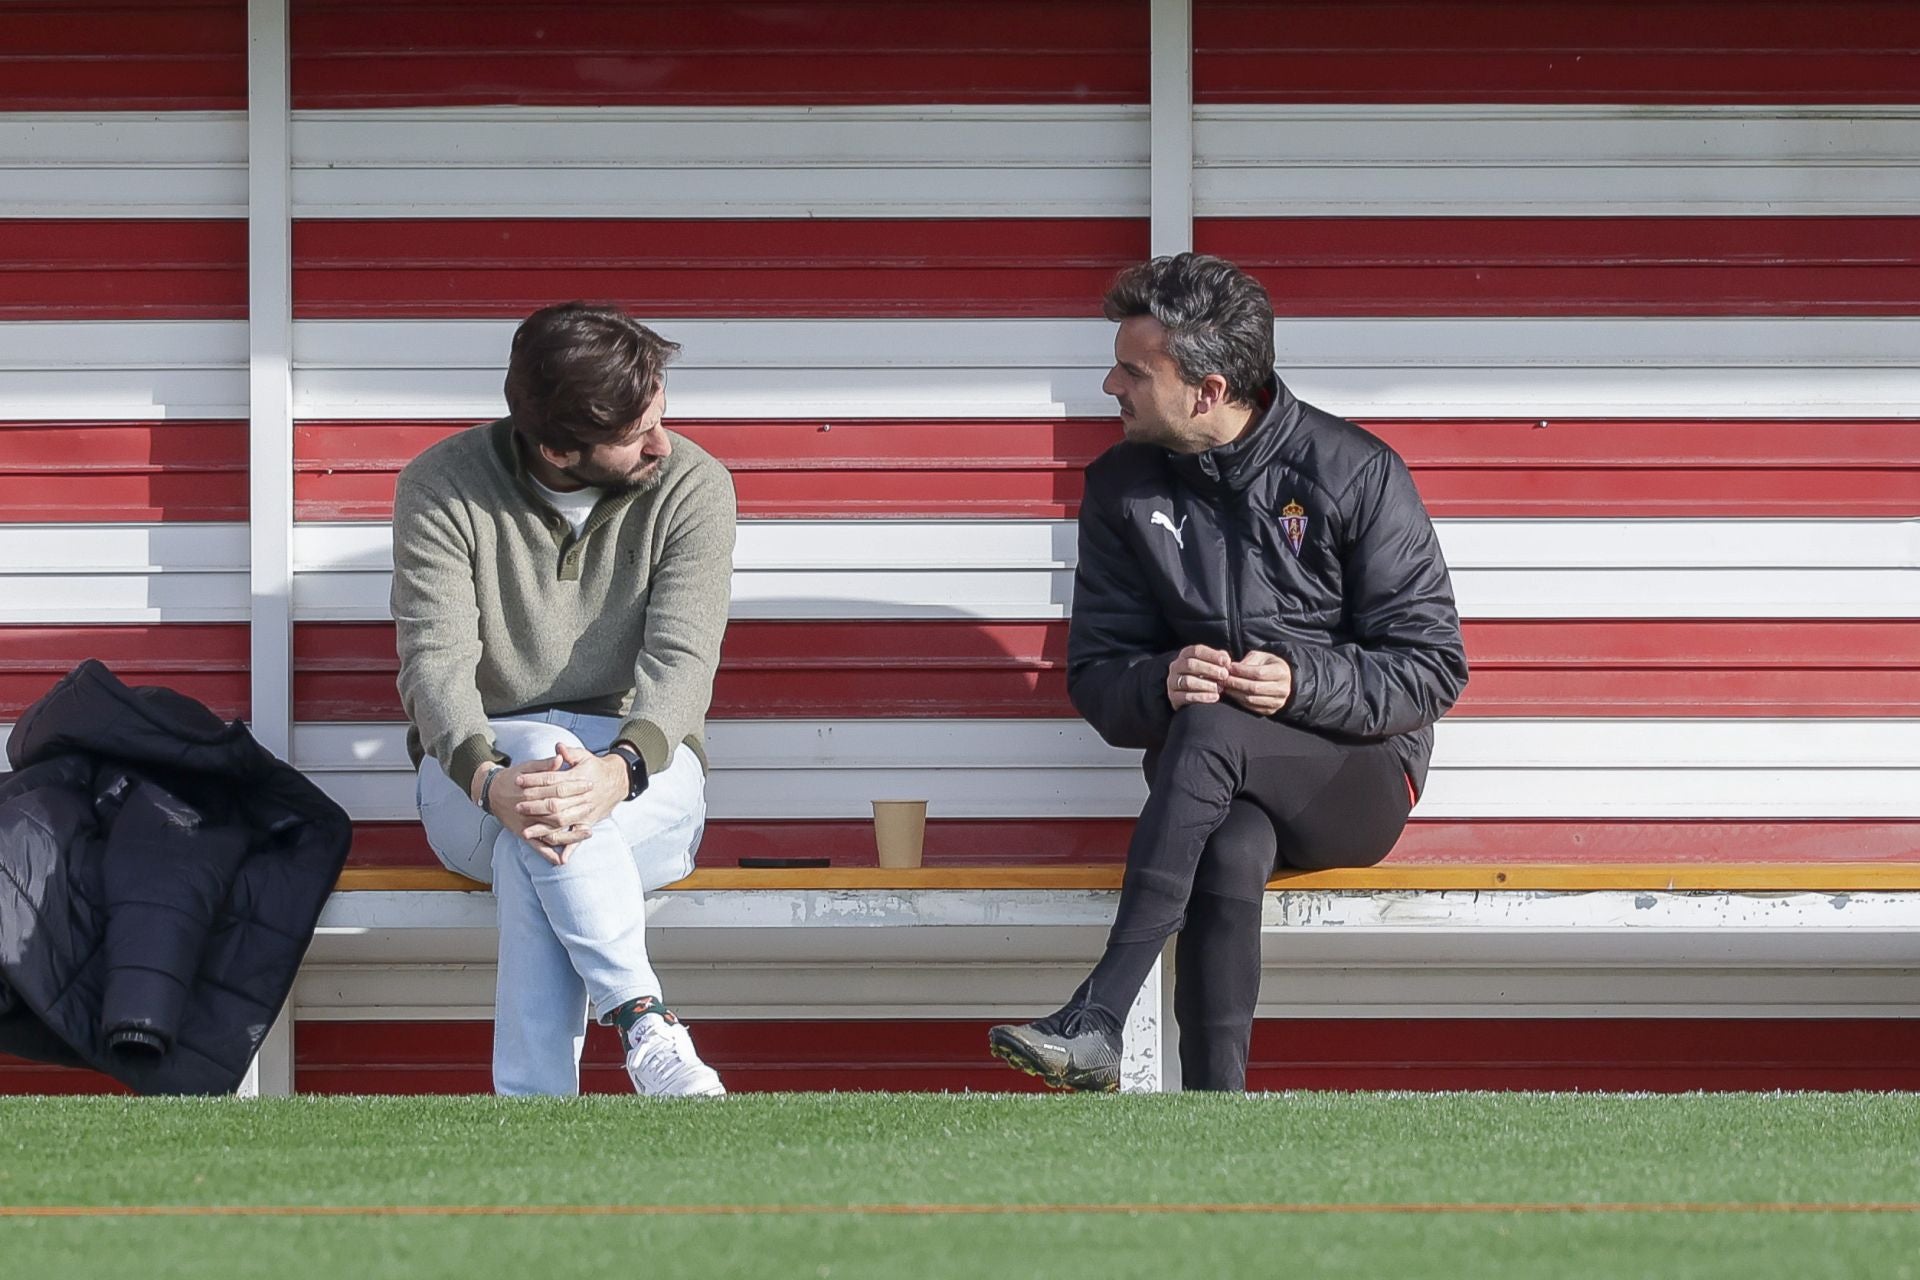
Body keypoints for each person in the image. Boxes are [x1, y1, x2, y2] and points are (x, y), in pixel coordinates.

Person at [988, 254, 1468, 1092]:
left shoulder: (1355, 472)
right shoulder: (1120, 490)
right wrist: (1160, 681)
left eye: (1133, 372)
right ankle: (1216, 1118)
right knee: (1230, 846)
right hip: (1210, 791)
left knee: (1210, 733)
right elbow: (1099, 675)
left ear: (1207, 391)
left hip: (1357, 778)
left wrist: (1301, 682)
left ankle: (1099, 1014)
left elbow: (1431, 668)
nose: (1110, 386)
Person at [392, 302, 737, 1097]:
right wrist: (488, 781)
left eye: (660, 415)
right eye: (636, 435)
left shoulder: (692, 483)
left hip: (644, 774)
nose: (663, 442)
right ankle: (645, 1022)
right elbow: (434, 667)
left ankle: (535, 1108)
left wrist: (614, 773)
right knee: (538, 806)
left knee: (538, 842)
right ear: (555, 447)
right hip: (476, 776)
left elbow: (684, 663)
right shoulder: (441, 486)